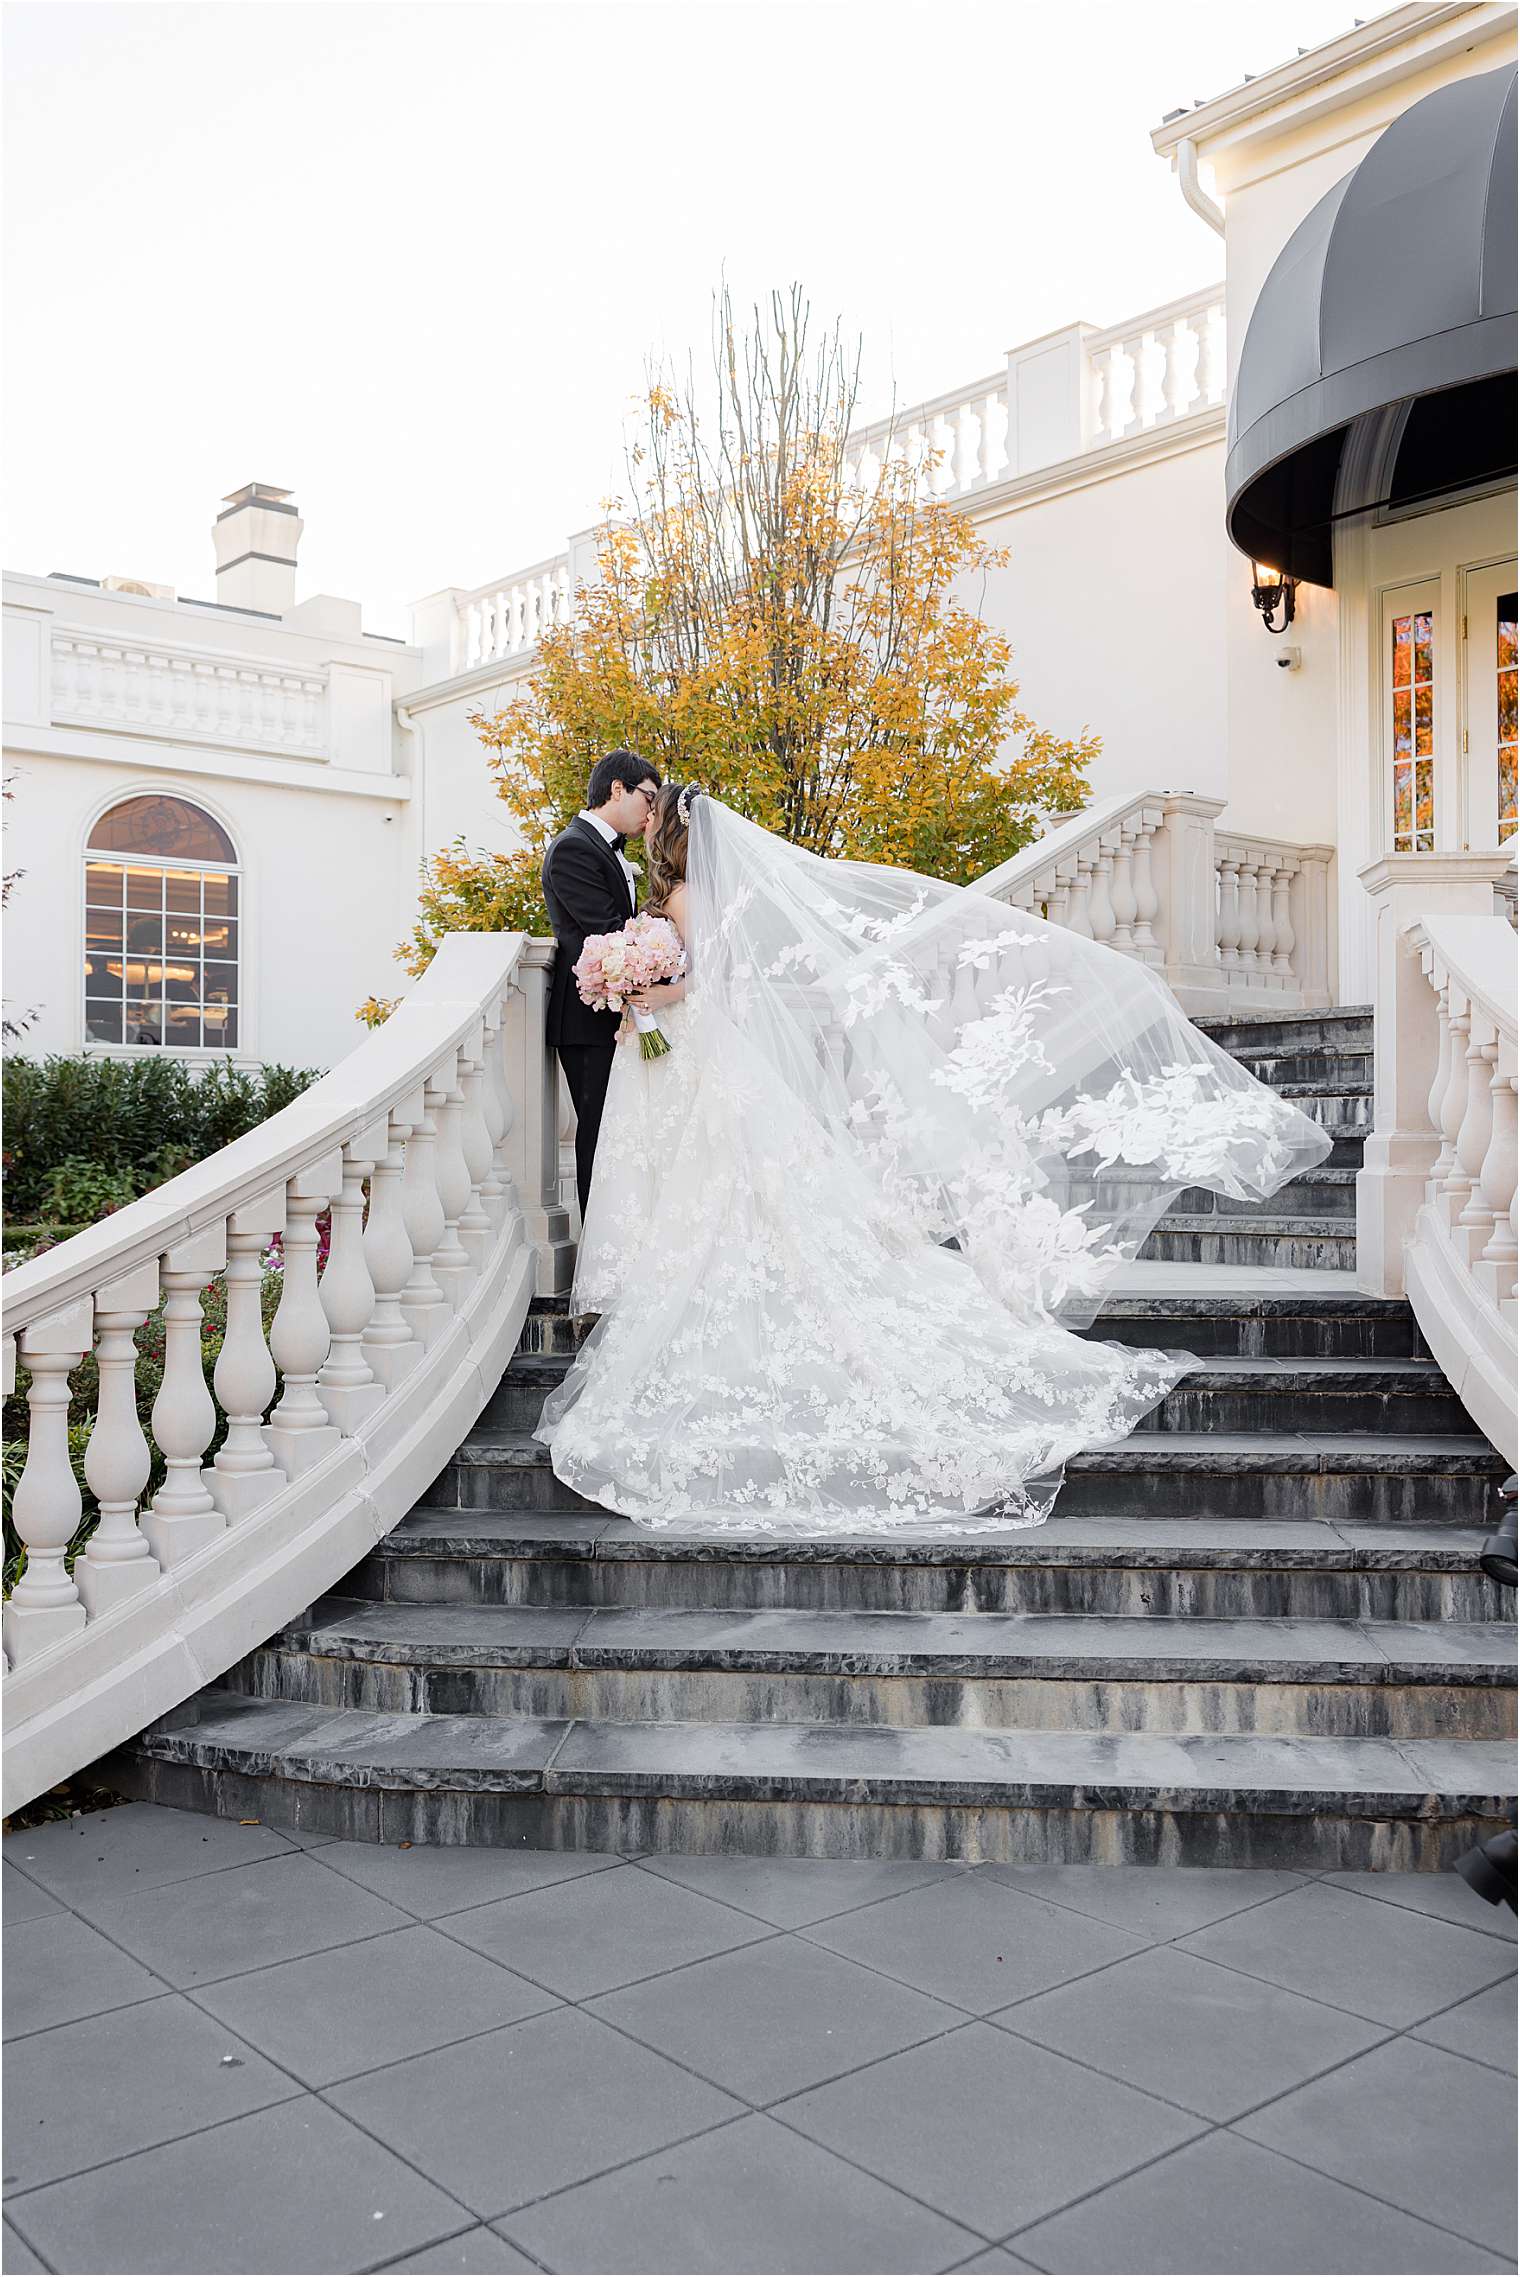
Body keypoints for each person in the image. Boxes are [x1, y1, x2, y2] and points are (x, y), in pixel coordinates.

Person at [535, 785, 1332, 1537]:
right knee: (726, 1189)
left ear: (669, 838)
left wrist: (640, 992)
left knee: (724, 1190)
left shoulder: (680, 901)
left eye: (655, 827)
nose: (647, 837)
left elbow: (699, 980)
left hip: (699, 1056)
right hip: (702, 1061)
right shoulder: (693, 898)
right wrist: (637, 986)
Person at [541, 749, 661, 1221]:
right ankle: (597, 1249)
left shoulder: (610, 850)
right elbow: (607, 933)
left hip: (615, 1013)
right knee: (598, 1134)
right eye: (647, 798)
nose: (651, 812)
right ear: (617, 789)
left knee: (621, 1133)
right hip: (588, 1020)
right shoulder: (574, 848)